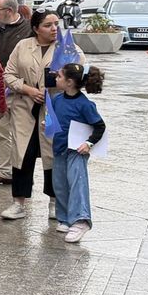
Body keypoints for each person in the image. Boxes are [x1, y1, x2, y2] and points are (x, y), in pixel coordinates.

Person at [1, 11, 79, 223]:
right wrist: (27, 89)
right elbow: (8, 74)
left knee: (52, 155)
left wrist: (62, 84)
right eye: (47, 25)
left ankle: (55, 202)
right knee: (22, 154)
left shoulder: (68, 46)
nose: (54, 28)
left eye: (56, 24)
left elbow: (81, 75)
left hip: (55, 109)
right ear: (36, 28)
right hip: (25, 107)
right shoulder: (23, 46)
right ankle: (18, 202)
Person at [46, 62, 105, 243]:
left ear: (70, 82)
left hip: (76, 151)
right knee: (60, 184)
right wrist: (48, 124)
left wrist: (88, 143)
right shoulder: (57, 99)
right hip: (59, 148)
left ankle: (81, 221)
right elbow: (54, 119)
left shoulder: (85, 105)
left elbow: (99, 126)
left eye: (59, 76)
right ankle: (64, 218)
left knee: (77, 184)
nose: (56, 78)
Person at [0, 0, 33, 184]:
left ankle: (21, 173)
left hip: (23, 89)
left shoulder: (29, 30)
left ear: (9, 11)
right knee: (1, 131)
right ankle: (4, 171)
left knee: (22, 134)